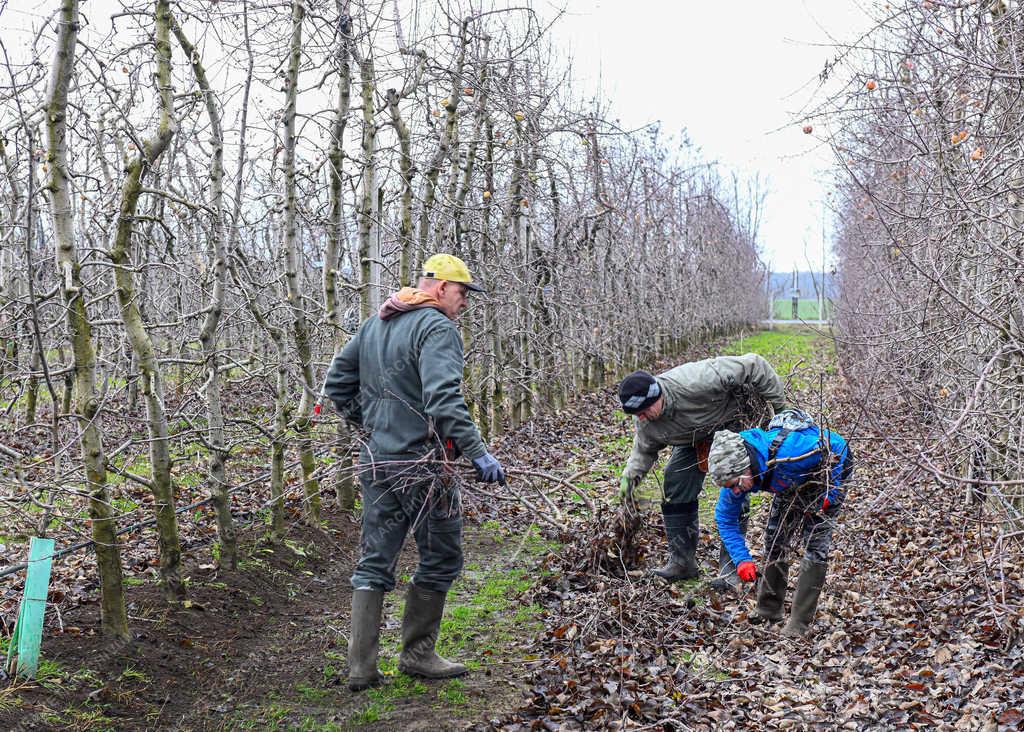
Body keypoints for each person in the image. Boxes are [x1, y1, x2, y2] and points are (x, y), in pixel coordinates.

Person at [324, 253, 506, 691]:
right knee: (442, 556)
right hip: (424, 466)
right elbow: (444, 400)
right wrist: (478, 453)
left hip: (376, 462)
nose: (464, 303)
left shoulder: (376, 323)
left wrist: (371, 427)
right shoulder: (437, 327)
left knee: (374, 561)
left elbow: (336, 385)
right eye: (462, 293)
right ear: (441, 288)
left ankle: (361, 668)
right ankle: (418, 655)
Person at [617, 355, 787, 587]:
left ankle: (731, 570)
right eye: (635, 414)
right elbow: (642, 453)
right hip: (694, 437)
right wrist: (628, 485)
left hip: (732, 424)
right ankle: (682, 563)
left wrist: (782, 412)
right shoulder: (646, 422)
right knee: (675, 483)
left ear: (657, 396)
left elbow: (754, 364)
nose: (640, 417)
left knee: (735, 490)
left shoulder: (696, 380)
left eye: (643, 411)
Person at [708, 409, 853, 637]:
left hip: (826, 473)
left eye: (736, 483)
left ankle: (799, 623)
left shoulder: (793, 451)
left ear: (746, 466)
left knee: (815, 546)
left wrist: (830, 493)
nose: (735, 491)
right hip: (785, 480)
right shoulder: (735, 477)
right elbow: (725, 518)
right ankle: (768, 609)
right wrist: (742, 559)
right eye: (729, 487)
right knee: (775, 538)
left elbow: (838, 447)